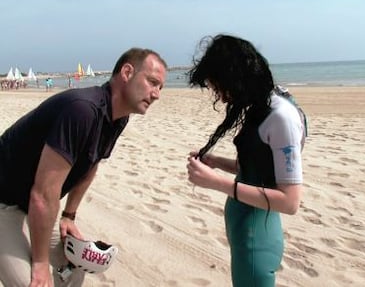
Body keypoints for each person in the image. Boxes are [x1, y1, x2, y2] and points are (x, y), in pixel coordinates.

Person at [0, 47, 167, 286]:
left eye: (161, 86)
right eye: (152, 82)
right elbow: (43, 195)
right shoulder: (82, 110)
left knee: (75, 267)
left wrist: (69, 215)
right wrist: (40, 264)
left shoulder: (118, 117)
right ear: (127, 72)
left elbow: (91, 164)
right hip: (5, 202)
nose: (157, 94)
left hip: (32, 205)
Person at [186, 34, 306, 286]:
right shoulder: (261, 106)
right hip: (246, 232)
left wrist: (216, 182)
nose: (219, 96)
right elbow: (255, 169)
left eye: (218, 87)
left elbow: (290, 201)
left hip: (256, 240)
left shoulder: (281, 116)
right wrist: (216, 162)